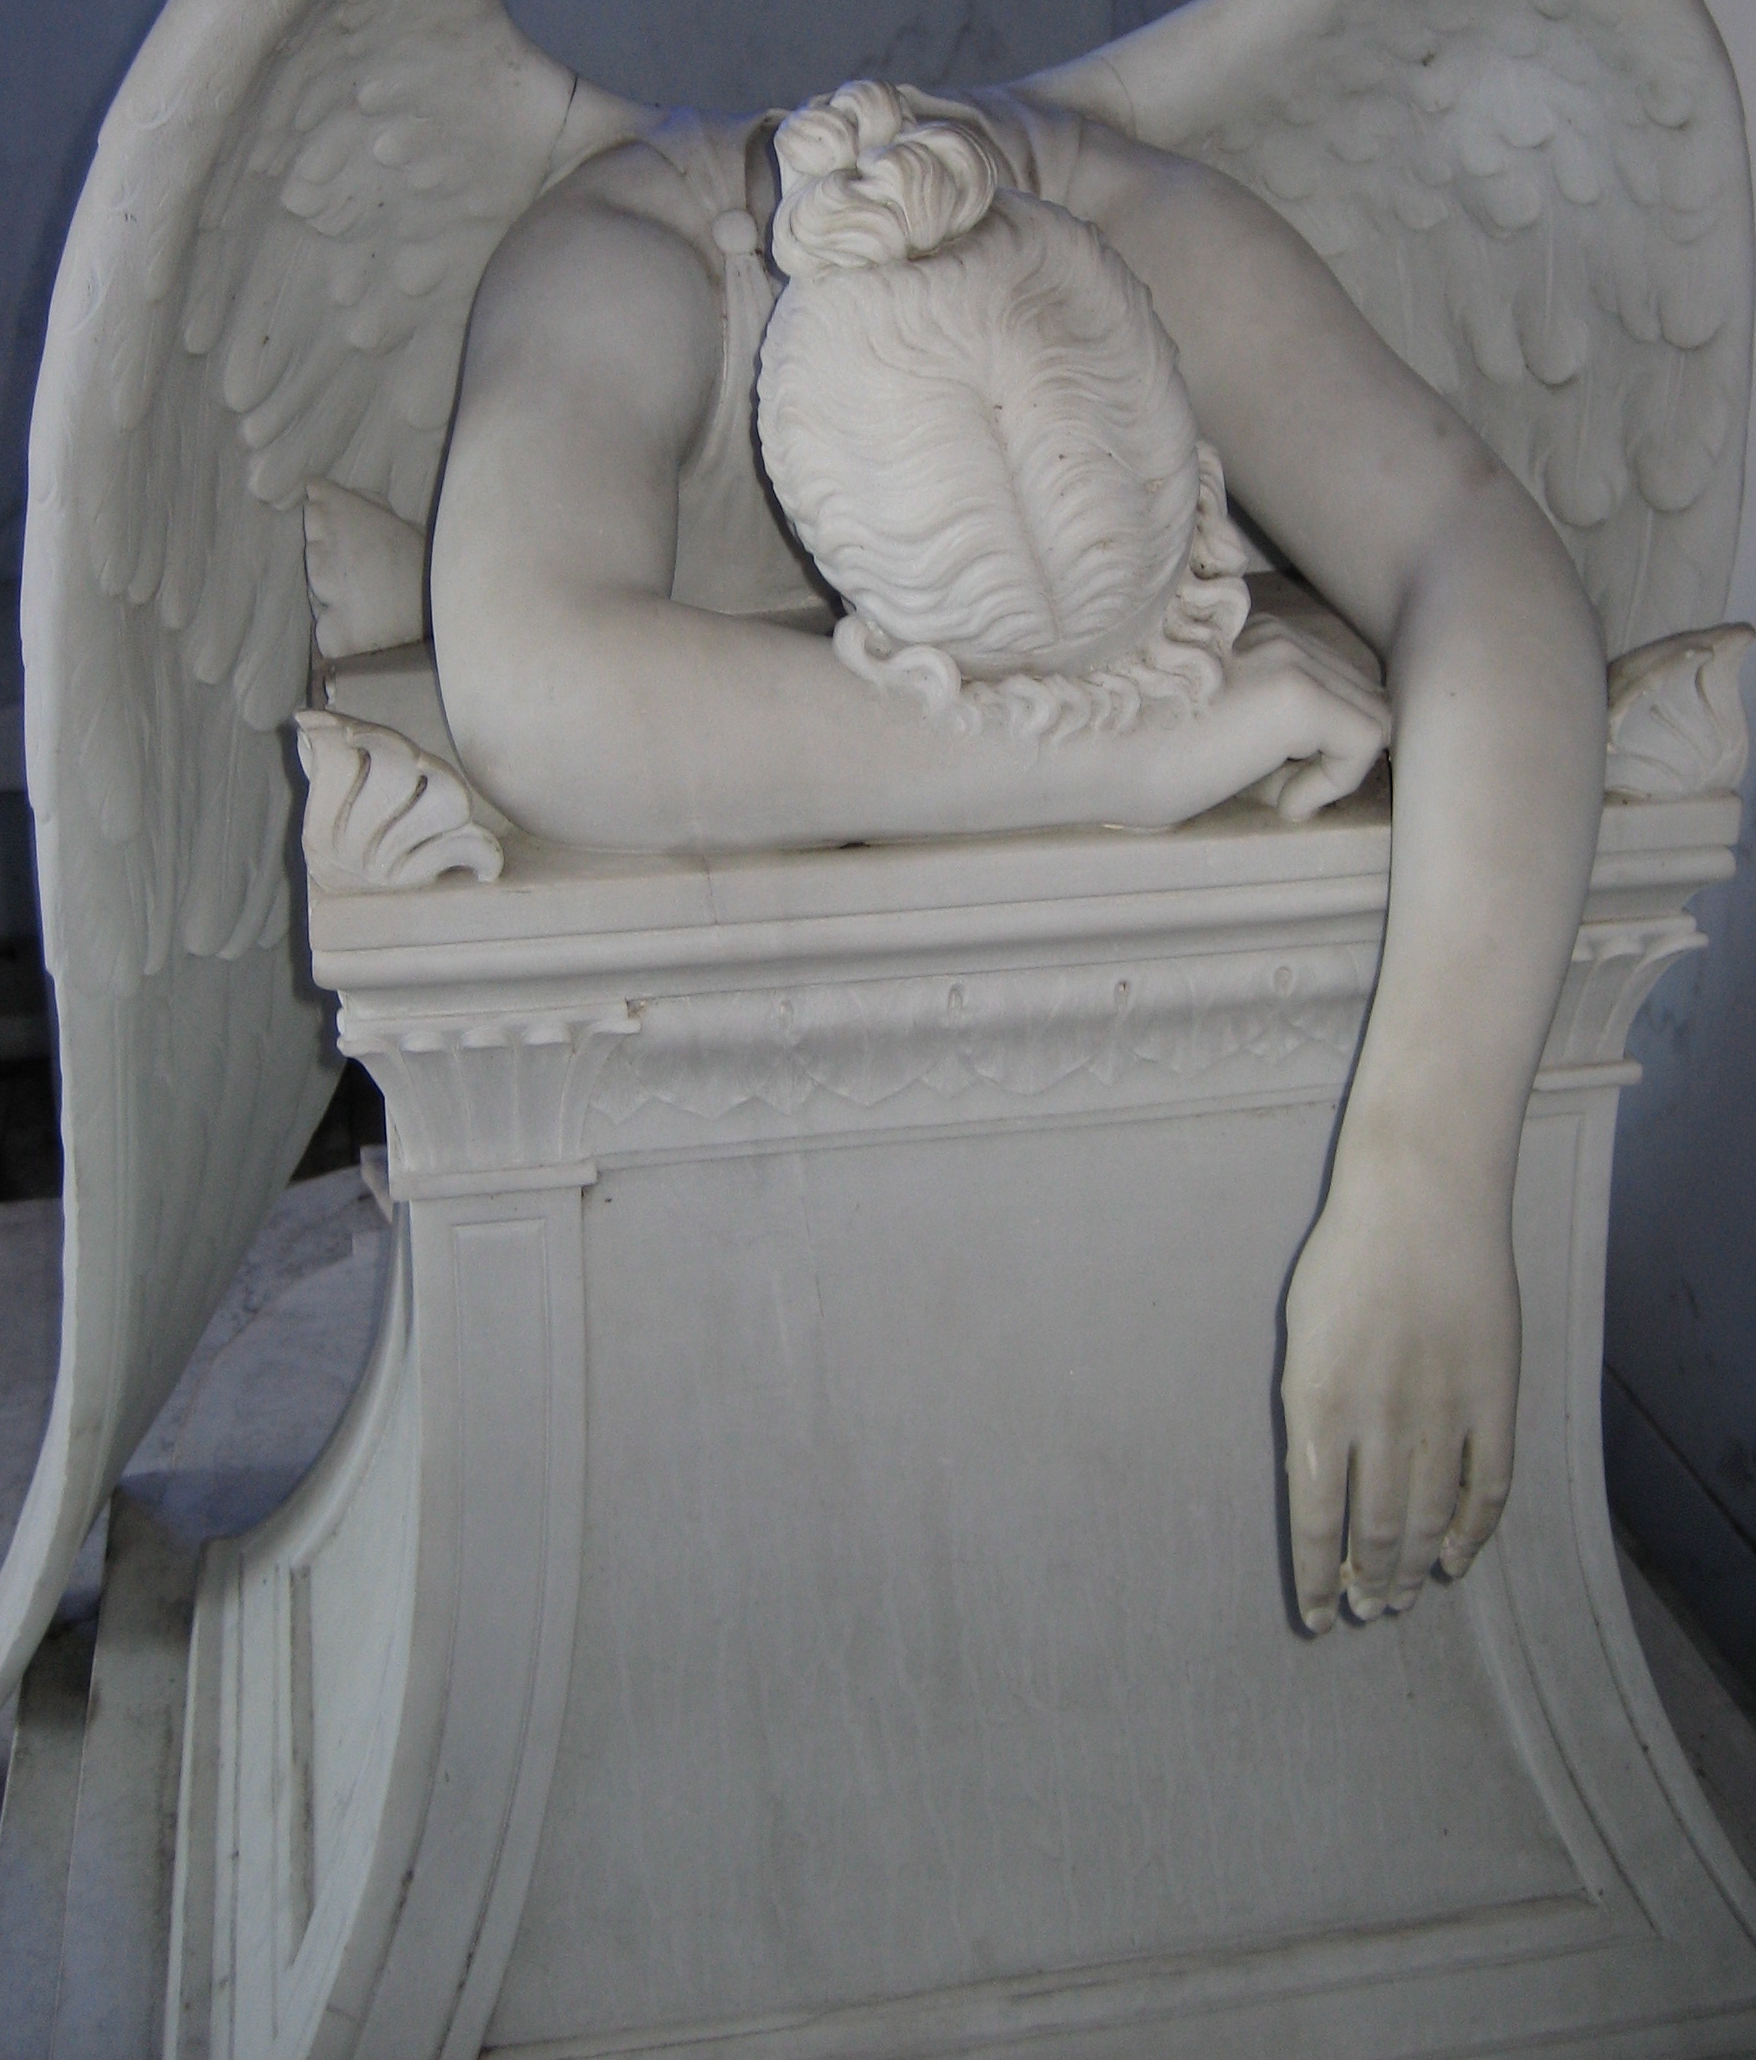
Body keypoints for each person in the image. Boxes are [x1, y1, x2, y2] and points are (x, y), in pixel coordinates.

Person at [429, 79, 1608, 1636]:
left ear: (1201, 480)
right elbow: (536, 690)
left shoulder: (1145, 235)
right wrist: (1113, 755)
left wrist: (1429, 1168)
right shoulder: (622, 272)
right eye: (965, 678)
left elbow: (1483, 549)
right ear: (853, 603)